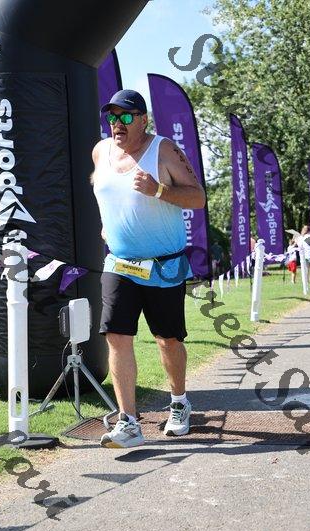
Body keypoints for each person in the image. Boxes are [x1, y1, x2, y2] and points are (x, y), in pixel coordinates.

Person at [91, 89, 206, 448]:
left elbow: (198, 197)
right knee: (116, 336)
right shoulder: (100, 151)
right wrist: (108, 225)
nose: (117, 123)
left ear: (143, 120)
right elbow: (103, 191)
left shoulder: (164, 150)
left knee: (167, 339)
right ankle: (128, 422)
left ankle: (179, 403)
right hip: (120, 263)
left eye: (126, 117)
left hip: (163, 266)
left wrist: (158, 190)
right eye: (112, 117)